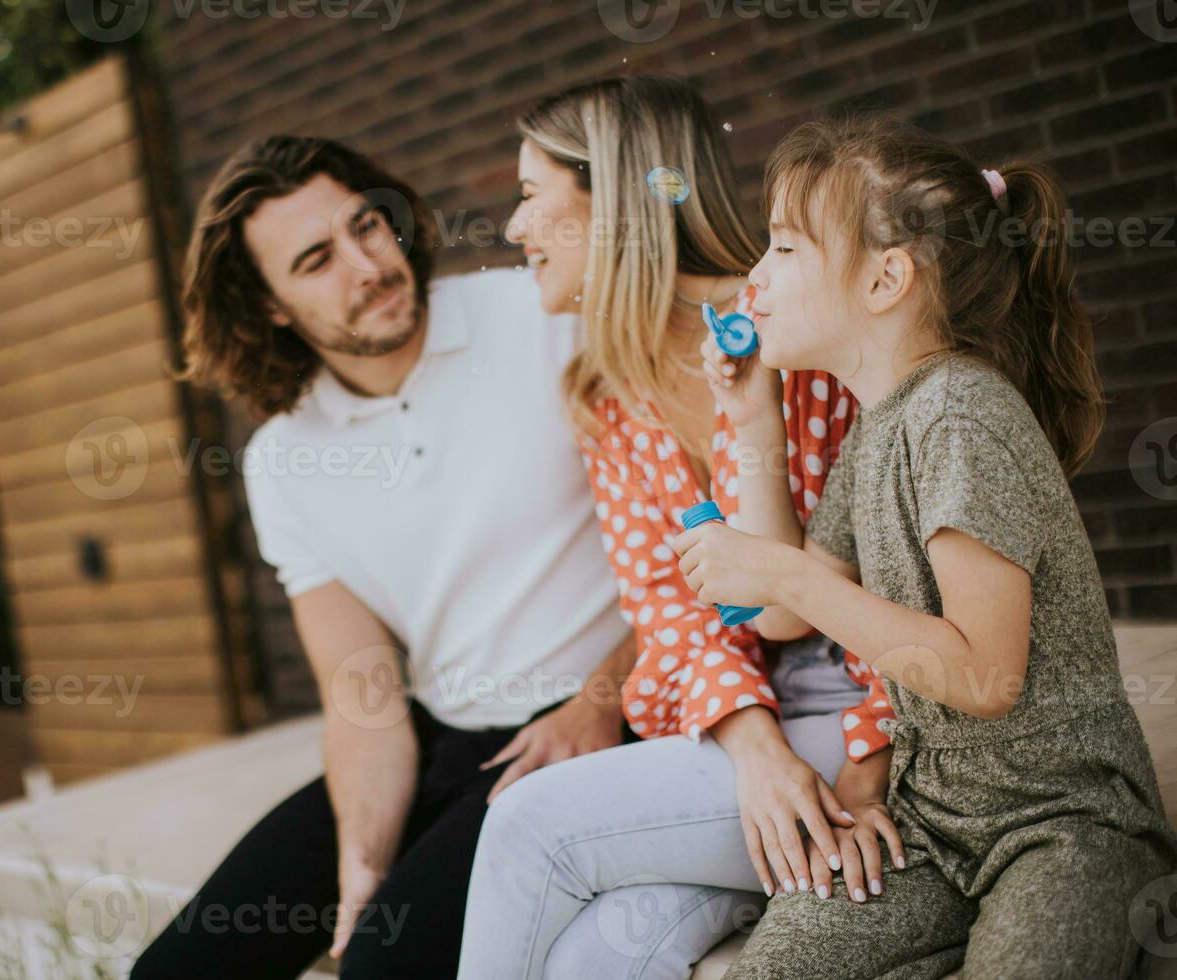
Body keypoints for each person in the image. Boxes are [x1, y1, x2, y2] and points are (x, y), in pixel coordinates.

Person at [675, 114, 1177, 978]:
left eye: (785, 250)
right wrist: (753, 415)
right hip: (934, 821)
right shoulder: (879, 430)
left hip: (1062, 826)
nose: (754, 277)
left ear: (886, 280)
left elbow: (985, 674)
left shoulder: (961, 413)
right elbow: (786, 617)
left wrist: (780, 567)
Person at [129, 135, 637, 980]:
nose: (366, 265)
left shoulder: (549, 320)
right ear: (270, 309)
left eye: (367, 226)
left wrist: (603, 699)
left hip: (600, 717)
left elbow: (702, 547)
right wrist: (362, 862)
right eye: (318, 259)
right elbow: (361, 697)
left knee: (385, 969)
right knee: (178, 971)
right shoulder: (284, 460)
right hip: (446, 734)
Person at [456, 76, 900, 980]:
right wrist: (756, 752)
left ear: (613, 199)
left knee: (528, 826)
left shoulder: (797, 321)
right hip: (755, 725)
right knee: (594, 951)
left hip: (883, 714)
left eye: (532, 195)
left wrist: (867, 753)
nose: (514, 228)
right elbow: (670, 611)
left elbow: (912, 572)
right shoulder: (605, 397)